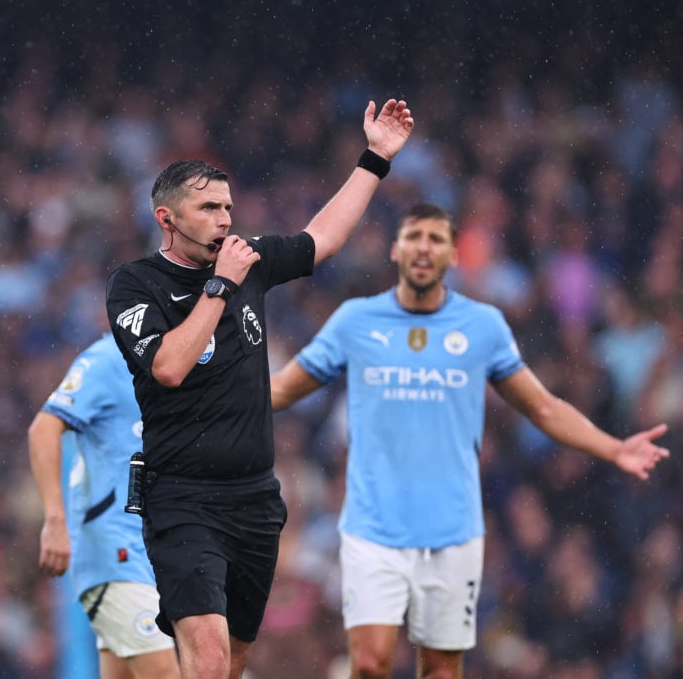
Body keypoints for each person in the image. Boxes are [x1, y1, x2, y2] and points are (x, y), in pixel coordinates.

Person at [269, 202, 670, 679]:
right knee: (372, 663)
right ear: (396, 250)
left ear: (452, 256)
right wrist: (195, 393)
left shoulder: (482, 326)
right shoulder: (357, 321)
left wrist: (613, 447)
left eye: (436, 239)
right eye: (414, 237)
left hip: (450, 526)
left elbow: (542, 406)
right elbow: (281, 389)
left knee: (441, 667)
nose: (424, 248)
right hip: (373, 523)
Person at [104, 98, 415, 679]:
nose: (225, 219)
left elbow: (322, 237)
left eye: (228, 206)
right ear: (167, 218)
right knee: (210, 656)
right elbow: (169, 367)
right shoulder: (135, 284)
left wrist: (374, 159)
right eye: (208, 208)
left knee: (232, 664)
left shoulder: (249, 260)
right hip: (181, 499)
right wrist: (219, 286)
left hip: (254, 502)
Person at [27, 333, 180, 679]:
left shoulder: (177, 361)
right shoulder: (108, 358)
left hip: (153, 556)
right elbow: (43, 428)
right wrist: (54, 519)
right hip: (115, 552)